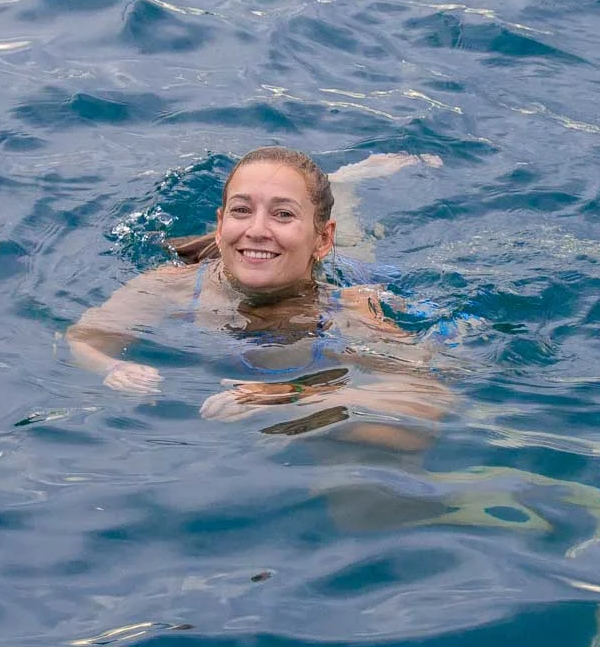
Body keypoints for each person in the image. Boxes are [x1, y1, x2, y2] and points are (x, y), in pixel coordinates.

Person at [67, 147, 451, 447]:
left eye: (283, 214)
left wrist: (291, 394)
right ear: (219, 227)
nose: (256, 229)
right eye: (241, 211)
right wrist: (112, 368)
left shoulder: (349, 308)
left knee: (358, 243)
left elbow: (425, 400)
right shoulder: (172, 285)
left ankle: (344, 185)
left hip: (339, 263)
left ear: (322, 240)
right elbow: (82, 340)